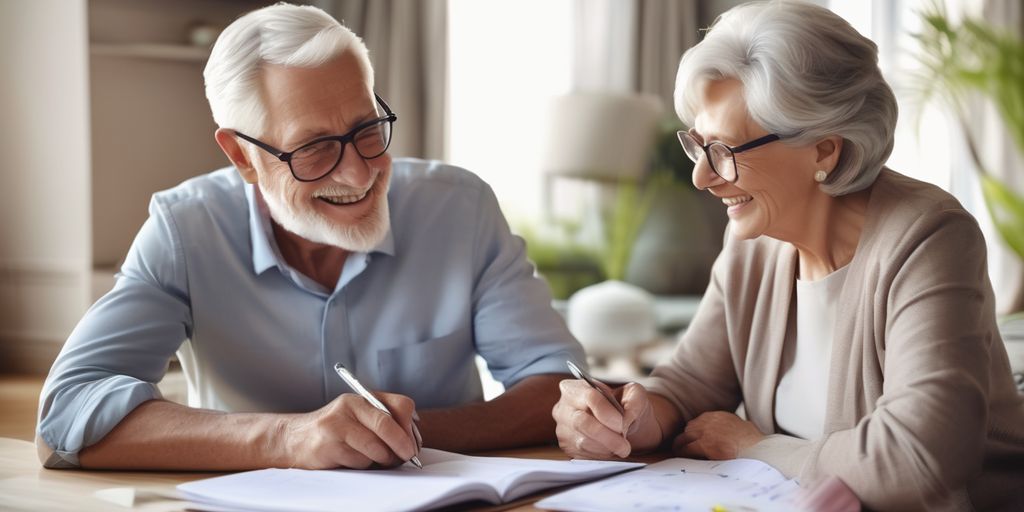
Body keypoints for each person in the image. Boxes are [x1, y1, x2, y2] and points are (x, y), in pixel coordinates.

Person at [37, 3, 585, 471]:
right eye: (314, 148)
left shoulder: (459, 208)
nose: (359, 174)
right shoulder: (185, 230)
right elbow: (66, 415)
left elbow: (559, 387)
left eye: (367, 130)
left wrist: (398, 433)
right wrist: (288, 438)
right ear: (242, 156)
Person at [552, 1, 1024, 510]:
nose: (702, 177)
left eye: (726, 152)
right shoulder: (754, 241)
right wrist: (631, 421)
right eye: (700, 145)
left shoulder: (930, 236)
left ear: (825, 149)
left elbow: (918, 457)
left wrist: (755, 448)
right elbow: (690, 383)